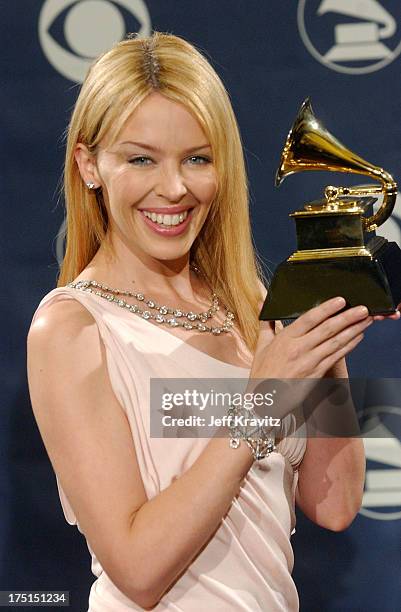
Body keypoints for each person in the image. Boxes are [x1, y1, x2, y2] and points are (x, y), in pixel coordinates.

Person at [26, 32, 399, 611]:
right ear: (89, 164)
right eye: (141, 158)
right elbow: (139, 568)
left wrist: (327, 333)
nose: (173, 188)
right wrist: (261, 403)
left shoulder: (251, 303)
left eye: (197, 158)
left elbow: (337, 504)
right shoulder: (72, 329)